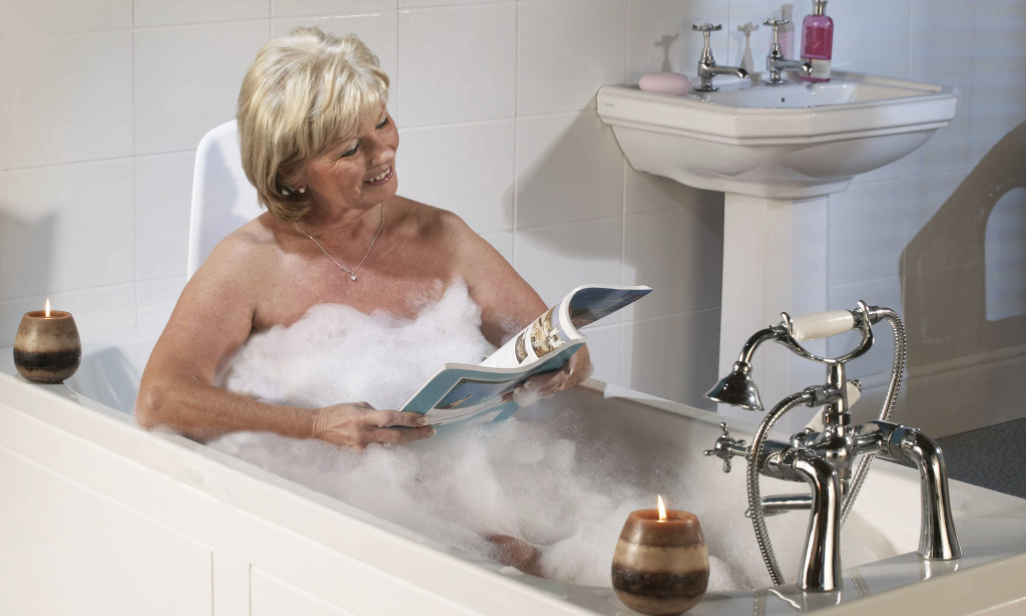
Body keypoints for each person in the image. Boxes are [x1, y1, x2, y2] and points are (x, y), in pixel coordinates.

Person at [135, 27, 590, 450]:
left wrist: (570, 361)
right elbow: (159, 402)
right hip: (312, 487)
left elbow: (547, 337)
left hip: (452, 477)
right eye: (351, 149)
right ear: (291, 171)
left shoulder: (440, 235)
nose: (384, 151)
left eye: (382, 122)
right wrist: (312, 426)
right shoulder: (251, 261)